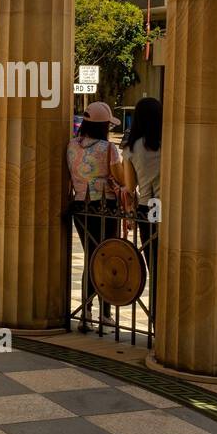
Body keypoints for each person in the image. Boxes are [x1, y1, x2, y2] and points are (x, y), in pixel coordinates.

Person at [66, 102, 123, 325]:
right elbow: (119, 177)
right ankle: (105, 313)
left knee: (92, 255)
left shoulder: (71, 145)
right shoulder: (109, 148)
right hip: (104, 206)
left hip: (80, 205)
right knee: (105, 256)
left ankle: (86, 311)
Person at [121, 96, 161, 324]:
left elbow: (129, 187)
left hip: (148, 207)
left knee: (153, 264)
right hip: (169, 208)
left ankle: (155, 315)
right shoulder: (170, 142)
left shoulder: (132, 148)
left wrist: (129, 214)